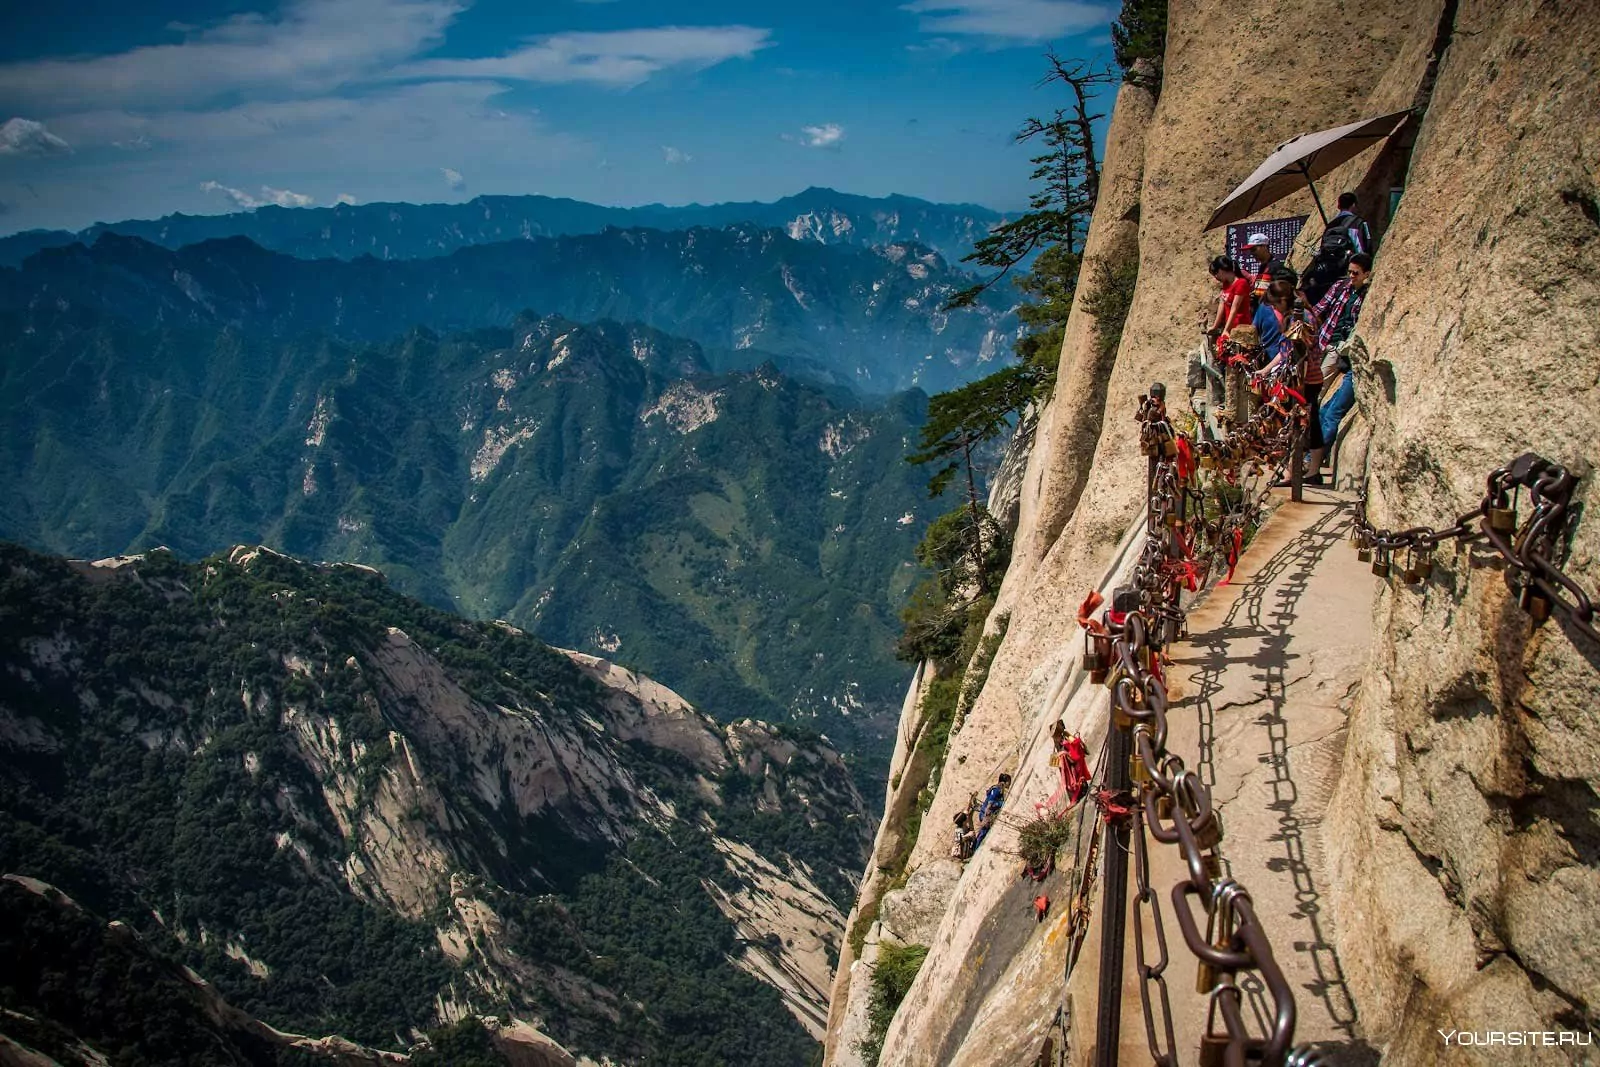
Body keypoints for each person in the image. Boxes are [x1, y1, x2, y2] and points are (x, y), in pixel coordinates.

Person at [1307, 253, 1374, 470]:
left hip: (1348, 350)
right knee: (1316, 393)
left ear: (1367, 274)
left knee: (1331, 409)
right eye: (1350, 272)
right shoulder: (1341, 287)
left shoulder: (1366, 295)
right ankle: (1310, 450)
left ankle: (1313, 458)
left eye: (1356, 273)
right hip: (1330, 342)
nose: (1352, 276)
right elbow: (1321, 308)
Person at [1301, 193, 1372, 305]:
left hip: (1328, 273)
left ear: (1338, 206)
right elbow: (1362, 249)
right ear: (1354, 205)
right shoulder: (1358, 222)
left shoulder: (1330, 225)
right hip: (1349, 272)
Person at [1207, 255, 1253, 355]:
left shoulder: (1241, 283)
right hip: (1231, 326)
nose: (1216, 277)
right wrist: (1215, 325)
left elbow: (1234, 308)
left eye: (1216, 273)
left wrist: (1226, 330)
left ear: (1221, 270)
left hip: (1241, 327)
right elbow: (1222, 304)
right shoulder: (1226, 284)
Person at [1243, 233, 1295, 305]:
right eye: (1250, 250)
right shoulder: (1262, 266)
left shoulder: (1275, 266)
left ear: (1264, 247)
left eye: (1254, 249)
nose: (1252, 253)